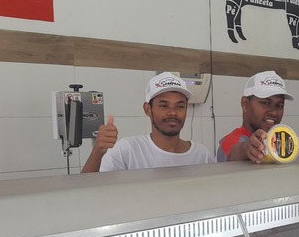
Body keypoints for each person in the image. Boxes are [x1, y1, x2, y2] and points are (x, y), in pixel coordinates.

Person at [81, 72, 212, 172]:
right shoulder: (127, 150)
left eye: (180, 106)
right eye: (163, 105)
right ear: (148, 109)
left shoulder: (202, 155)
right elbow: (86, 191)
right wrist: (97, 151)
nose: (173, 112)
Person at [216, 70, 294, 163]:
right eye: (266, 103)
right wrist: (245, 149)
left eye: (279, 105)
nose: (273, 113)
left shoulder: (281, 145)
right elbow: (232, 155)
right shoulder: (230, 141)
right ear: (245, 104)